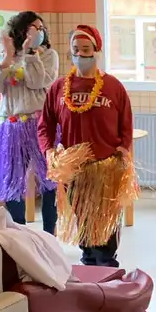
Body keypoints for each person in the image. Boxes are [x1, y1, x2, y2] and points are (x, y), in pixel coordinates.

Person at [38, 25, 134, 267]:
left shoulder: (113, 87)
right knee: (84, 223)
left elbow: (126, 124)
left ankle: (107, 272)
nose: (80, 55)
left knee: (106, 228)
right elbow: (45, 125)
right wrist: (49, 150)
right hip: (75, 171)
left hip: (106, 169)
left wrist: (123, 149)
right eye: (75, 50)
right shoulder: (59, 88)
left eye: (86, 49)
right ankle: (89, 268)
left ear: (96, 51)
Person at [0, 11, 60, 234]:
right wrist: (6, 59)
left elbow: (38, 82)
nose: (38, 32)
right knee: (13, 181)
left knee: (49, 180)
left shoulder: (48, 55)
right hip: (12, 126)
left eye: (41, 29)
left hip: (40, 124)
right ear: (21, 30)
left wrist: (30, 53)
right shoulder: (5, 56)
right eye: (33, 28)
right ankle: (21, 235)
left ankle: (49, 235)